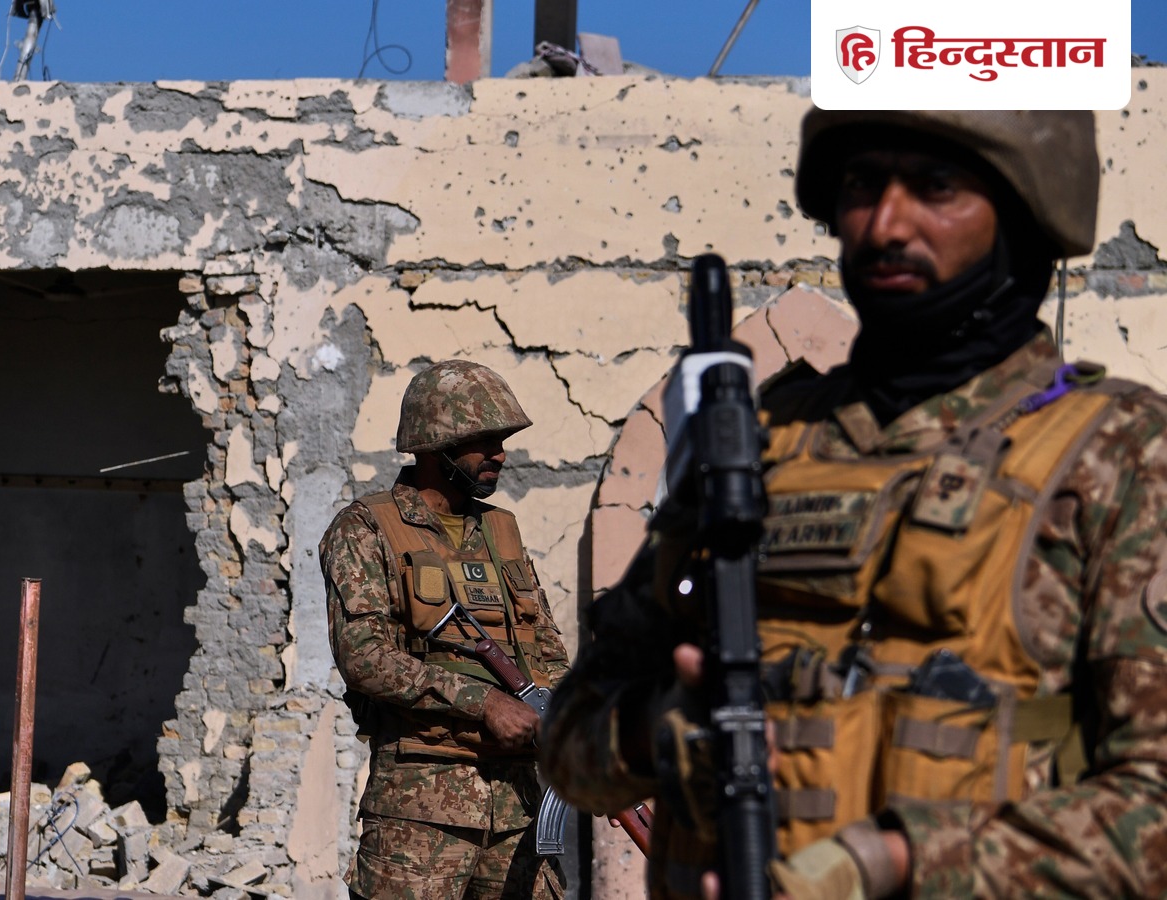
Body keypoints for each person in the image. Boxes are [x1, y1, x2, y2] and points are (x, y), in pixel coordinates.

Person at [541, 108, 1167, 898]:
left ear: (1024, 211)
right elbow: (569, 743)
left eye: (935, 188)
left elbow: (1152, 810)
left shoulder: (1122, 453)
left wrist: (895, 861)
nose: (884, 225)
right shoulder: (760, 443)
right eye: (863, 186)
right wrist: (660, 730)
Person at [321, 359, 570, 899]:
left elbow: (546, 647)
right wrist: (483, 703)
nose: (500, 454)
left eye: (502, 441)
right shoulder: (366, 528)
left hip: (519, 809)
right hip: (419, 814)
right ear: (437, 446)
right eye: (485, 442)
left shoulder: (501, 530)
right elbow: (364, 655)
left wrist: (570, 713)